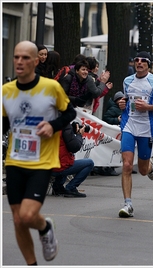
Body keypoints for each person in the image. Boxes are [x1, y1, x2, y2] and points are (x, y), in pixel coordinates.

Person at [2, 40, 77, 265]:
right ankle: (31, 264)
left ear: (36, 61)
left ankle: (45, 227)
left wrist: (52, 126)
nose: (20, 61)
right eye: (16, 57)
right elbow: (5, 125)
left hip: (41, 162)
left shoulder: (51, 88)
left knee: (27, 215)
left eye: (25, 58)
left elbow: (69, 114)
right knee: (18, 219)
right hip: (14, 161)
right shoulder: (6, 91)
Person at [117, 51, 153, 218]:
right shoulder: (127, 80)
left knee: (141, 170)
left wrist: (149, 107)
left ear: (148, 64)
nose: (139, 63)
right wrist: (121, 104)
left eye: (143, 61)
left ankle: (149, 166)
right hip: (129, 125)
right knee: (126, 165)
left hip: (146, 128)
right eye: (136, 60)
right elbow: (125, 101)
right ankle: (128, 204)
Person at [51, 122, 94, 197]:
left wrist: (71, 130)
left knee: (66, 157)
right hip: (58, 166)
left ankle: (58, 187)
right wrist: (79, 135)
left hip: (44, 165)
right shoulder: (64, 126)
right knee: (89, 163)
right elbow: (75, 147)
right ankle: (71, 187)